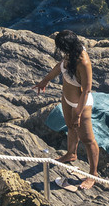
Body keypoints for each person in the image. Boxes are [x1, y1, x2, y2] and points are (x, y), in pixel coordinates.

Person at [35, 29, 99, 183]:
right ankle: (71, 154)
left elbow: (87, 90)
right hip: (67, 99)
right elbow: (61, 66)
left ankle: (93, 174)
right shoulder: (71, 52)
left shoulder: (83, 62)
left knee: (88, 140)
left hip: (80, 104)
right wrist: (46, 80)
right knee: (70, 127)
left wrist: (78, 113)